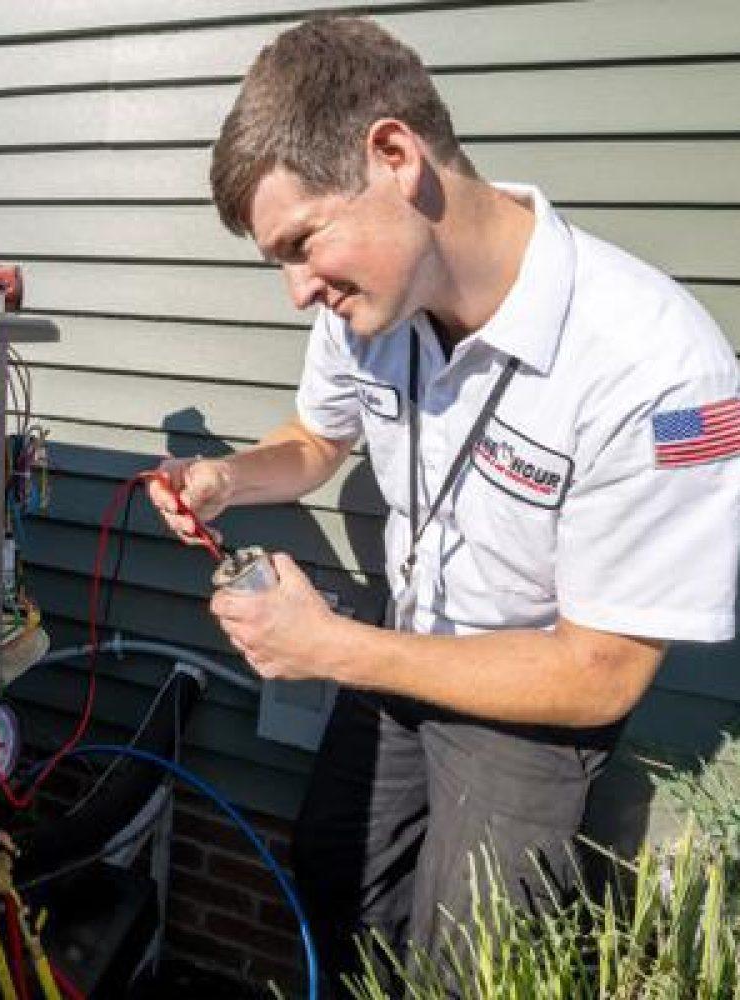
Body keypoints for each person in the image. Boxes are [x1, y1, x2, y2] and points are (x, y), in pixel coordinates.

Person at [146, 15, 740, 993]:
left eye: (301, 243)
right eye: (278, 263)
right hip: (398, 651)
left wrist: (328, 648)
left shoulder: (655, 366)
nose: (298, 291)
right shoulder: (365, 300)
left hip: (529, 701)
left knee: (464, 968)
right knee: (337, 883)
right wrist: (225, 478)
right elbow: (315, 441)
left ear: (393, 155)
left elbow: (599, 675)